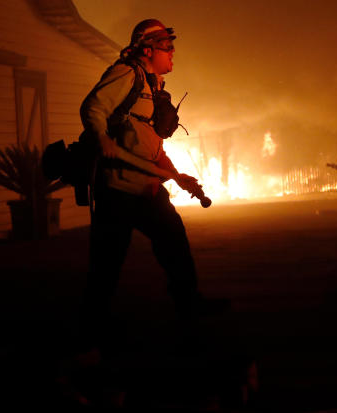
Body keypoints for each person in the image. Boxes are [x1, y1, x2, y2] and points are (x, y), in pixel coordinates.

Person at [78, 19, 227, 351]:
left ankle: (190, 304)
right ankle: (93, 325)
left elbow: (150, 145)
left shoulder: (152, 85)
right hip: (117, 190)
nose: (173, 53)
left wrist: (175, 175)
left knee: (175, 244)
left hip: (148, 188)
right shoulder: (126, 74)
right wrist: (100, 135)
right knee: (107, 262)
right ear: (148, 49)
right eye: (167, 47)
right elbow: (93, 108)